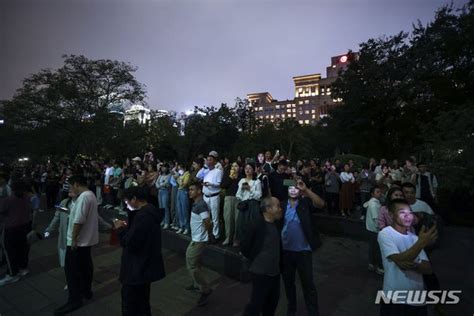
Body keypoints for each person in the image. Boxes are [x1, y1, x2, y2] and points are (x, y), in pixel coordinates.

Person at [377, 199, 437, 316]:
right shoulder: (385, 234)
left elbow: (428, 268)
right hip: (393, 298)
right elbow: (401, 259)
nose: (407, 216)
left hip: (417, 301)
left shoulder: (414, 237)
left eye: (410, 212)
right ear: (391, 215)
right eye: (402, 212)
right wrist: (420, 244)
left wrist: (411, 263)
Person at [114, 186, 166, 316]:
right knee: (142, 303)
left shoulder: (143, 217)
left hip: (136, 269)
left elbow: (130, 243)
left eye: (127, 202)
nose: (126, 206)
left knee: (132, 305)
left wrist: (120, 229)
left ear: (135, 199)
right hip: (144, 267)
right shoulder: (150, 213)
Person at [279, 178, 325, 316]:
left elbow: (321, 204)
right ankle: (291, 308)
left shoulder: (305, 202)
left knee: (308, 284)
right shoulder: (281, 205)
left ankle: (313, 311)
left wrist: (306, 190)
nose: (293, 189)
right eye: (290, 187)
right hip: (286, 251)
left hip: (303, 251)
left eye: (296, 188)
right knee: (288, 283)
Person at [54, 175, 99, 315]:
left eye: (71, 185)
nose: (70, 188)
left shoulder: (84, 197)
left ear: (77, 184)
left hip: (78, 242)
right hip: (87, 241)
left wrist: (73, 239)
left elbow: (79, 220)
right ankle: (86, 291)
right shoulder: (91, 195)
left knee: (72, 271)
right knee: (86, 267)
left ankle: (74, 300)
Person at [241, 197, 283, 316]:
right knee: (256, 304)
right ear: (268, 209)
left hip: (275, 273)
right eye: (278, 206)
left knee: (272, 304)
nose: (280, 209)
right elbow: (245, 247)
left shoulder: (277, 224)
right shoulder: (255, 225)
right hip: (260, 273)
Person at [186, 182, 213, 306]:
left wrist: (208, 235)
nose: (189, 191)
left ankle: (205, 289)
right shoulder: (197, 204)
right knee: (195, 263)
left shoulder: (201, 205)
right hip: (197, 238)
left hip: (198, 240)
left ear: (199, 191)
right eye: (189, 189)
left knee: (192, 265)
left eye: (192, 189)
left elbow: (207, 221)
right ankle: (197, 285)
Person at [0, 181, 32, 286]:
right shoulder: (27, 197)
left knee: (9, 251)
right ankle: (23, 268)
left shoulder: (8, 200)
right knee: (22, 248)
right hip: (24, 227)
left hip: (11, 228)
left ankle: (12, 274)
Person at [236, 163, 262, 245]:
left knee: (251, 225)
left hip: (253, 205)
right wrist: (241, 192)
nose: (247, 170)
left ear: (253, 170)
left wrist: (250, 189)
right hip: (244, 205)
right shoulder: (242, 181)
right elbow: (238, 194)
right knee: (242, 225)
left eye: (250, 168)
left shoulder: (257, 181)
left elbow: (259, 196)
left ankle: (251, 244)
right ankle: (243, 244)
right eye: (246, 168)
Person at [203, 151, 223, 240]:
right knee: (206, 217)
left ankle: (216, 235)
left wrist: (210, 184)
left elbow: (218, 184)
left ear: (215, 161)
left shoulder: (218, 171)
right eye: (207, 160)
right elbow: (198, 175)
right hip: (205, 196)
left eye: (210, 160)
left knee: (215, 217)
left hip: (214, 196)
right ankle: (208, 233)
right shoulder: (206, 171)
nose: (208, 161)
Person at [364, 186, 383, 274]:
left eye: (380, 192)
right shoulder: (374, 204)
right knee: (377, 249)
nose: (380, 193)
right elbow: (376, 218)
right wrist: (380, 228)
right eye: (377, 192)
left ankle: (371, 264)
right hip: (374, 229)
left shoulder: (372, 202)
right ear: (372, 194)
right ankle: (378, 267)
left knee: (372, 247)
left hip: (370, 228)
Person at [221, 162, 240, 246]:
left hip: (238, 199)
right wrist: (230, 177)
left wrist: (236, 178)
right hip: (228, 198)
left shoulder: (241, 177)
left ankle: (236, 239)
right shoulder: (228, 175)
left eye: (236, 166)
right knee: (228, 218)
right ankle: (228, 238)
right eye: (232, 166)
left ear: (239, 167)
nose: (234, 167)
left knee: (237, 219)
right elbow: (223, 185)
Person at [156, 164, 172, 229]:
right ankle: (162, 220)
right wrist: (158, 186)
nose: (163, 168)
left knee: (165, 207)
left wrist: (160, 185)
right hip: (160, 191)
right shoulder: (160, 175)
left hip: (165, 191)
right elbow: (156, 182)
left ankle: (167, 222)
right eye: (162, 167)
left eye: (164, 167)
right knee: (161, 207)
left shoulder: (169, 175)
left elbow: (167, 183)